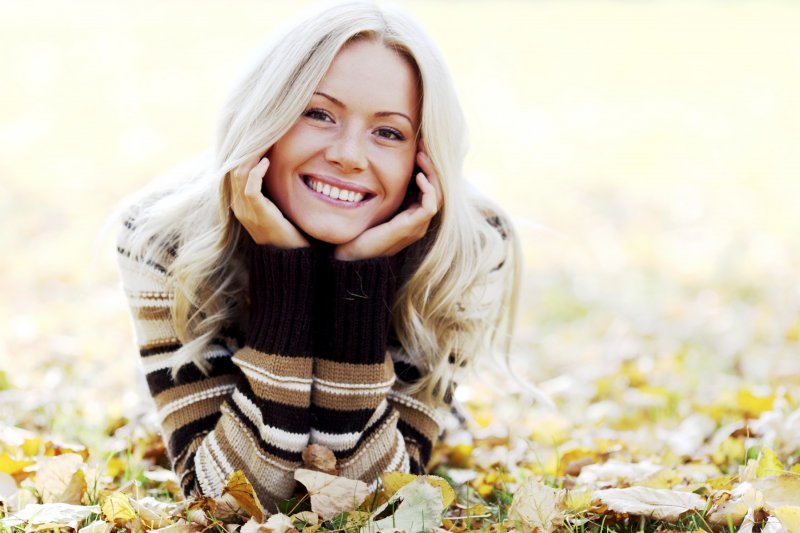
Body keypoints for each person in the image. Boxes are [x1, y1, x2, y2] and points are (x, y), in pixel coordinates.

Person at [117, 1, 520, 508]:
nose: (348, 155)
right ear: (267, 116)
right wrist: (285, 268)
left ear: (425, 155)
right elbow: (224, 503)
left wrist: (356, 281)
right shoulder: (161, 235)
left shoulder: (470, 248)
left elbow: (375, 500)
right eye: (318, 113)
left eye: (388, 132)